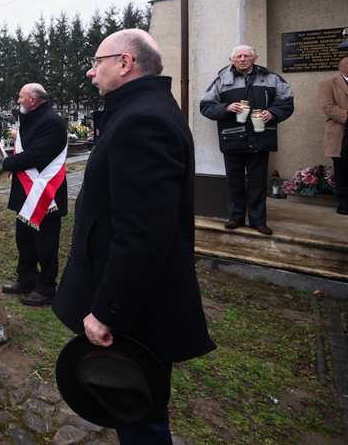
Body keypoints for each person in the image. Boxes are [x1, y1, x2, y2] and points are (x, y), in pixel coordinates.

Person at [53, 29, 216, 444]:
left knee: (137, 415)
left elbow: (143, 233)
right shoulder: (144, 109)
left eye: (97, 62)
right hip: (138, 305)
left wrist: (107, 310)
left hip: (136, 314)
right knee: (136, 414)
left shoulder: (142, 119)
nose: (91, 72)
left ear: (125, 63)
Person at [199, 45, 295, 235]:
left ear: (255, 58)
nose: (242, 59)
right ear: (231, 60)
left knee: (257, 183)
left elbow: (287, 102)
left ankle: (258, 221)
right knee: (234, 182)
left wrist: (273, 112)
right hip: (233, 138)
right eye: (238, 56)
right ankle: (236, 218)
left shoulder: (271, 79)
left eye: (247, 56)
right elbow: (205, 106)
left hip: (260, 138)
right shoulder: (221, 81)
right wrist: (226, 108)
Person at [0, 83, 68, 306]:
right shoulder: (30, 117)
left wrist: (6, 162)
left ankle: (46, 288)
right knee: (25, 240)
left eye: (21, 97)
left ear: (34, 100)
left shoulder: (51, 121)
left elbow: (36, 155)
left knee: (46, 245)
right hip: (26, 194)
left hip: (46, 196)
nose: (18, 101)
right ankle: (27, 278)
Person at [319, 54, 348, 215]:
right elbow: (327, 106)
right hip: (340, 133)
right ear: (340, 68)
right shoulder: (328, 84)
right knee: (342, 170)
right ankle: (344, 203)